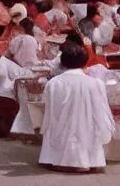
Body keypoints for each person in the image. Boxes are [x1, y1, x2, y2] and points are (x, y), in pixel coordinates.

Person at [39, 43, 115, 173]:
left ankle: (60, 161)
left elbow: (49, 110)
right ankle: (90, 161)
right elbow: (101, 109)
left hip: (62, 127)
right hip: (88, 126)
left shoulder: (54, 83)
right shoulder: (95, 83)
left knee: (59, 127)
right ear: (85, 62)